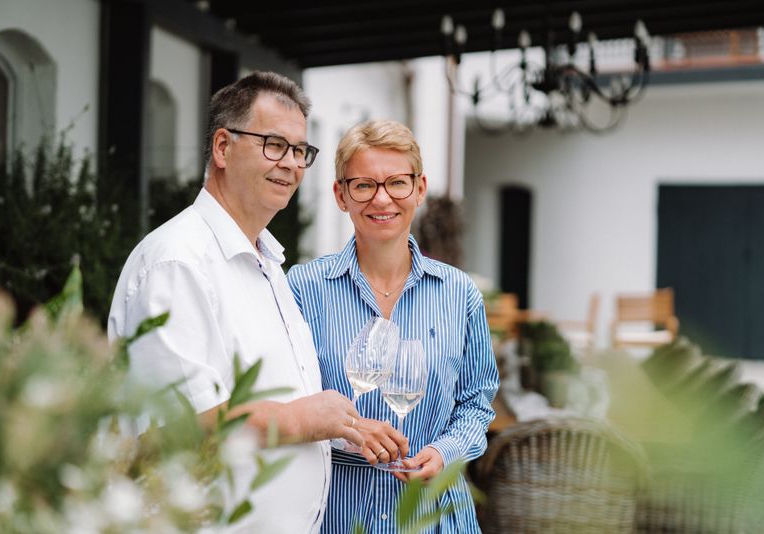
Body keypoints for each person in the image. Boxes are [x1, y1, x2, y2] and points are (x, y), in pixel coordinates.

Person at [108, 72, 368, 533]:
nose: (290, 163)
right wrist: (302, 419)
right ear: (223, 148)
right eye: (273, 144)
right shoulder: (178, 261)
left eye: (300, 151)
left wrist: (342, 431)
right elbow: (178, 427)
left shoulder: (267, 261)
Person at [287, 119, 499, 532]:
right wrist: (347, 431)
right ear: (341, 195)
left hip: (435, 516)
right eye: (364, 185)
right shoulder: (302, 289)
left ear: (419, 189)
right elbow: (288, 402)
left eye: (397, 183)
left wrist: (444, 451)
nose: (381, 199)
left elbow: (476, 403)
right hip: (339, 512)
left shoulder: (460, 293)